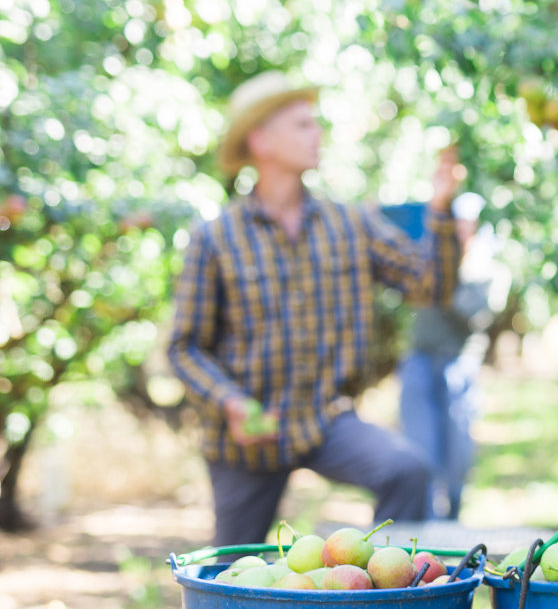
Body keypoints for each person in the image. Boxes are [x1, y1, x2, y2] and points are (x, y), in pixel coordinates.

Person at [167, 71, 464, 546]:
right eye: (302, 125)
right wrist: (230, 402)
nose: (317, 134)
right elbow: (183, 347)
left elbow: (430, 287)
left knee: (405, 470)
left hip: (324, 420)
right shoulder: (216, 238)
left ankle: (381, 584)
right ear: (261, 141)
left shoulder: (350, 223)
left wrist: (441, 209)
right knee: (228, 569)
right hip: (247, 437)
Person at [398, 191, 507, 520]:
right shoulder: (429, 259)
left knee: (458, 450)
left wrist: (454, 272)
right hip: (420, 361)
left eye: (465, 224)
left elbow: (474, 314)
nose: (460, 230)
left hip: (458, 364)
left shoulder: (488, 269)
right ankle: (429, 520)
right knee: (420, 447)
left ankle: (453, 512)